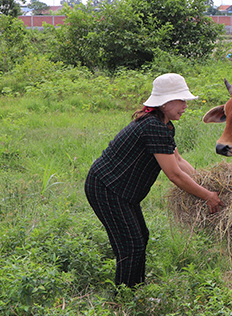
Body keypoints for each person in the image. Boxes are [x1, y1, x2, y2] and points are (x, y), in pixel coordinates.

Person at [85, 73, 224, 288]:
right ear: (165, 102)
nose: (185, 106)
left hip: (122, 190)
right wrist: (207, 196)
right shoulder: (153, 127)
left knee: (140, 237)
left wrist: (204, 182)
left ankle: (135, 289)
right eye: (181, 100)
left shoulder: (164, 125)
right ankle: (123, 299)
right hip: (107, 187)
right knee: (131, 245)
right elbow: (174, 175)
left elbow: (177, 160)